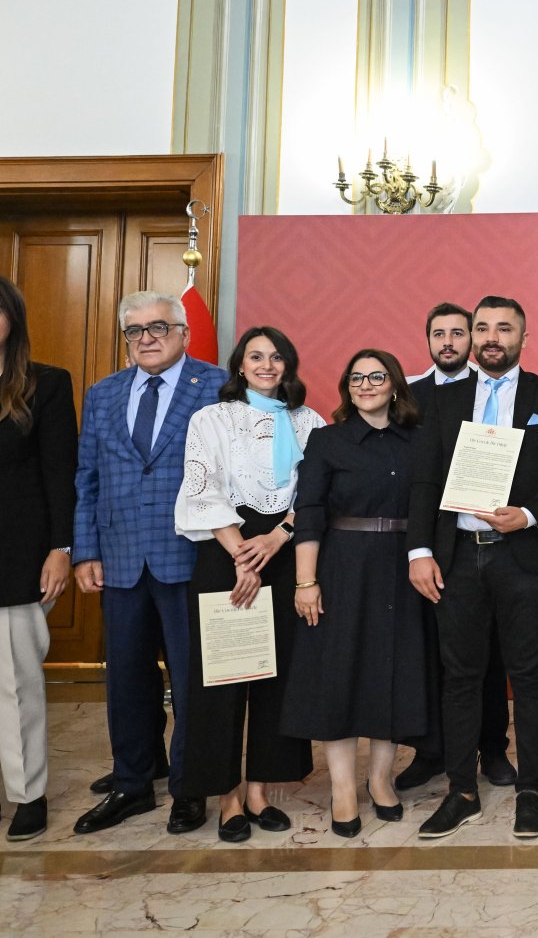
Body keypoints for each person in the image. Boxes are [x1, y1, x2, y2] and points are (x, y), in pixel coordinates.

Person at [408, 295, 538, 840]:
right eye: (483, 328)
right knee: (461, 677)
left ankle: (529, 788)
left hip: (525, 556)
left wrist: (528, 514)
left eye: (505, 327)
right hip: (457, 557)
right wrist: (419, 551)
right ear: (473, 337)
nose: (492, 336)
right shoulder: (444, 399)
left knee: (526, 675)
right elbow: (425, 479)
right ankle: (462, 791)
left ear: (525, 337)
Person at [73, 291, 224, 837]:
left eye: (159, 326)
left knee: (191, 683)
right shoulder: (103, 393)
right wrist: (85, 549)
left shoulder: (215, 384)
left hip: (190, 557)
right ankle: (132, 782)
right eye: (135, 330)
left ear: (183, 331)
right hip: (118, 559)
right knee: (127, 681)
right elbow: (87, 478)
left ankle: (190, 786)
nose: (147, 337)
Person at [175, 327, 323, 841]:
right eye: (256, 356)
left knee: (274, 676)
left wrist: (277, 539)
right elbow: (201, 485)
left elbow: (321, 492)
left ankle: (259, 788)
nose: (266, 365)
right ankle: (227, 796)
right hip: (225, 554)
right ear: (240, 364)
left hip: (285, 552)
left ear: (289, 365)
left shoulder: (309, 422)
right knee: (223, 677)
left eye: (276, 356)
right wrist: (243, 555)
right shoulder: (211, 418)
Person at [280, 349, 428, 837]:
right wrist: (306, 581)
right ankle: (344, 789)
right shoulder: (327, 440)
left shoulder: (420, 439)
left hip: (403, 568)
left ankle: (380, 779)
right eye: (357, 377)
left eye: (377, 376)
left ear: (394, 385)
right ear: (347, 386)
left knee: (392, 674)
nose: (366, 384)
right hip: (341, 568)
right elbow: (311, 511)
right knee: (338, 676)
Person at [397, 302, 514, 793]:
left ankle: (493, 749)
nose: (448, 341)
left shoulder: (497, 391)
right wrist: (418, 548)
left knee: (489, 657)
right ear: (426, 340)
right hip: (430, 544)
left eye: (457, 333)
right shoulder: (413, 396)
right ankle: (432, 751)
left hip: (493, 539)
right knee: (429, 654)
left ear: (473, 339)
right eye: (437, 333)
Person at [0, 277, 76, 841]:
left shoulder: (45, 384)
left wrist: (61, 548)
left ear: (13, 319)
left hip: (17, 556)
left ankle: (27, 793)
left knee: (16, 684)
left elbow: (59, 473)